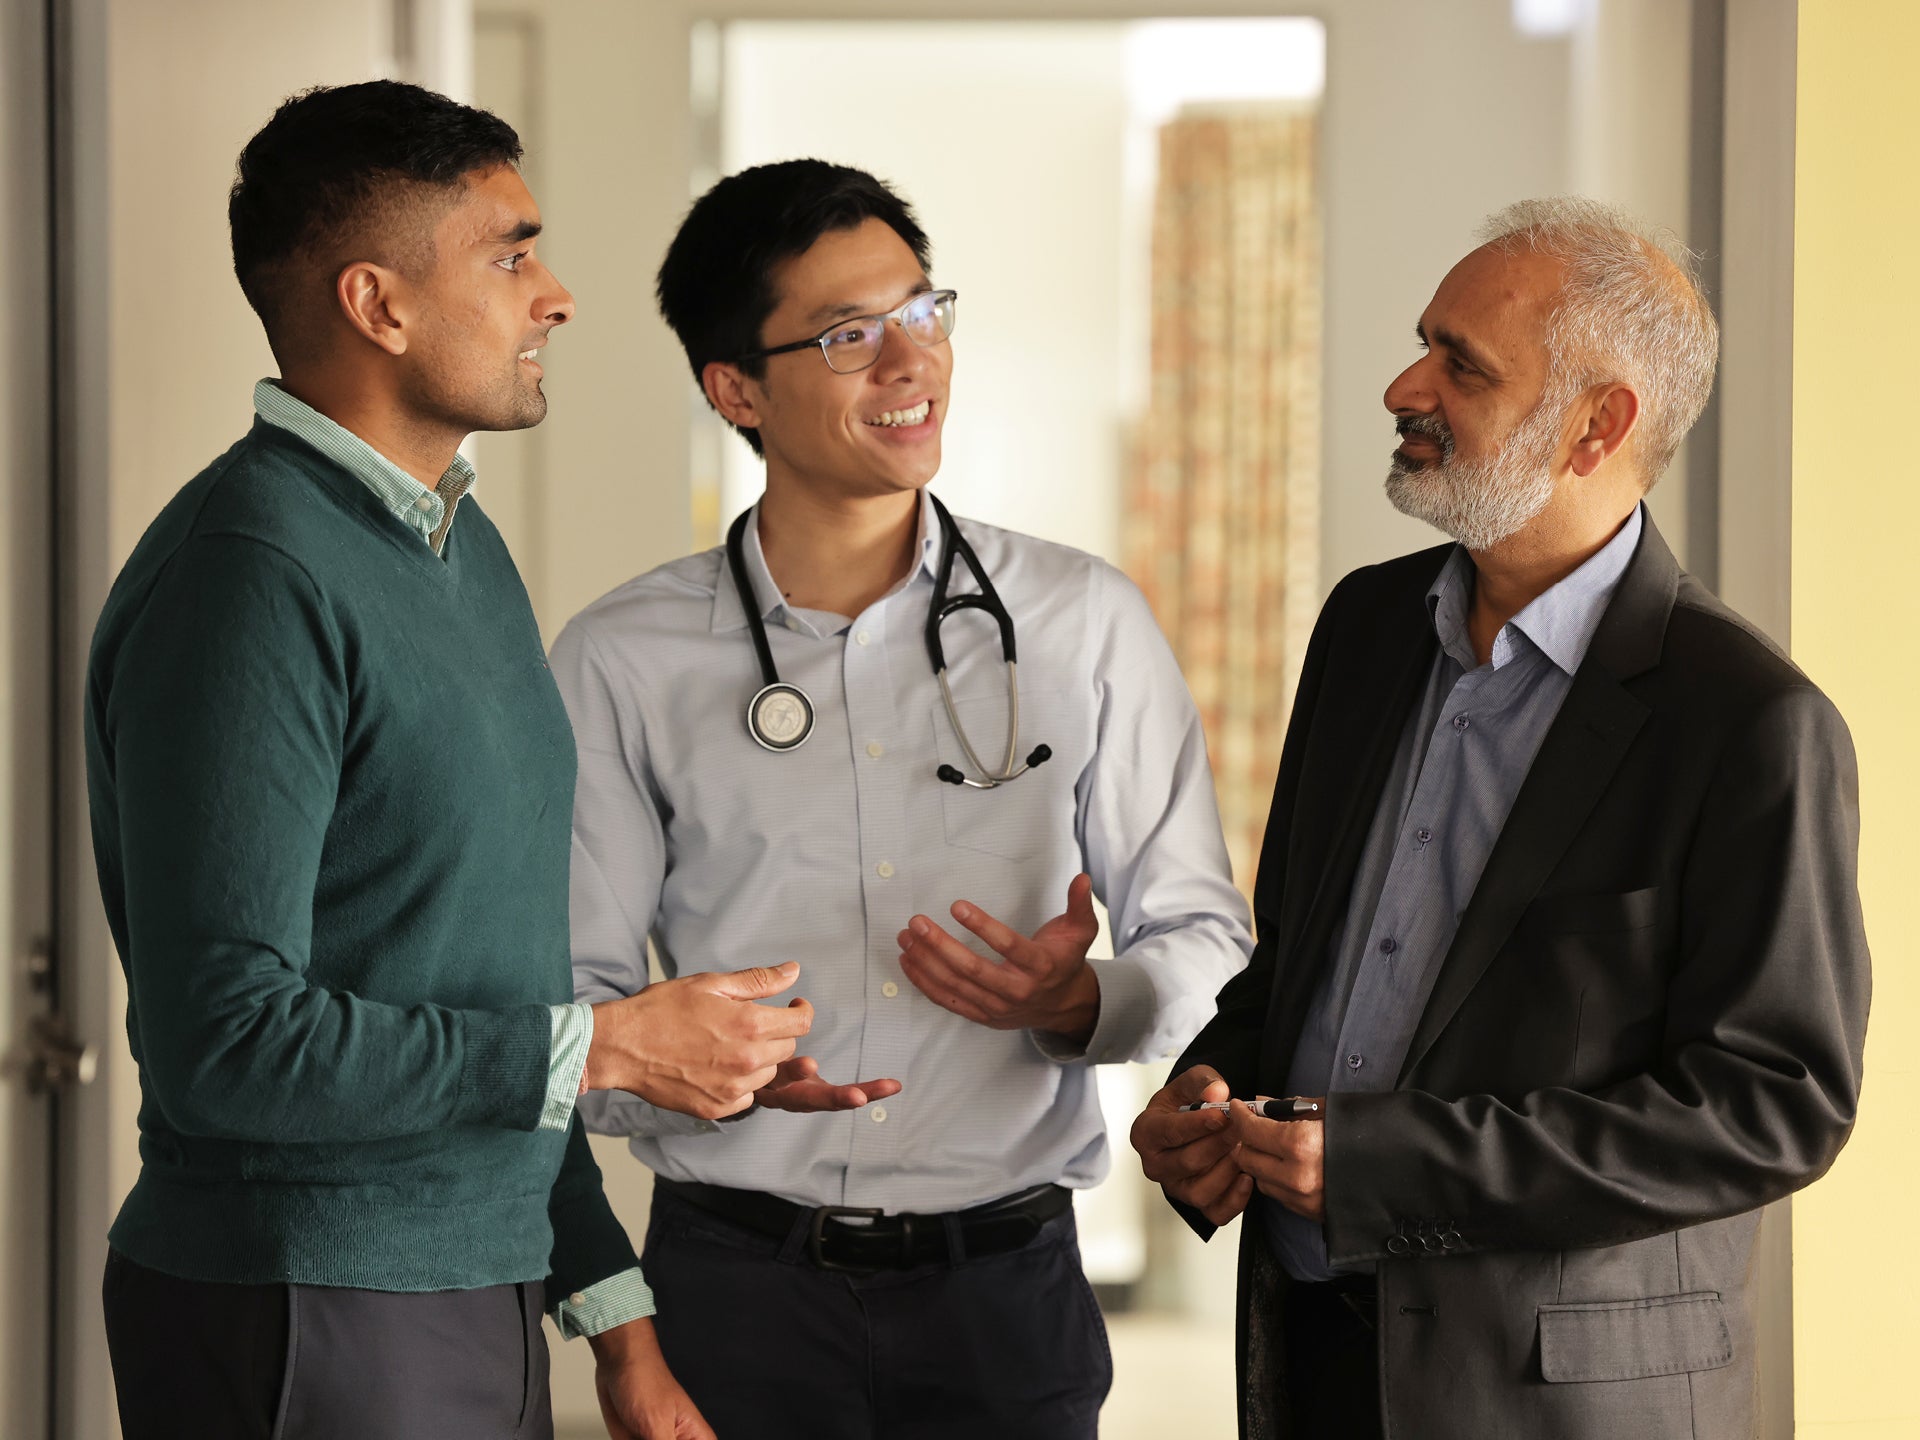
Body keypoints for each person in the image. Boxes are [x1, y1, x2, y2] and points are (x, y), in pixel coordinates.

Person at [85, 81, 810, 1440]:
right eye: (512, 253)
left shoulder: (451, 544)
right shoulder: (249, 577)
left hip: (478, 1289)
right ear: (380, 304)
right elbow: (226, 1045)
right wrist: (612, 1048)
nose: (558, 296)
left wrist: (613, 1315)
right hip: (310, 1301)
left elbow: (494, 988)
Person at [1130, 197, 1871, 1439]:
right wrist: (1216, 1086)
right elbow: (1302, 968)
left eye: (1459, 363)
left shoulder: (1746, 720)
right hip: (1307, 1356)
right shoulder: (1364, 630)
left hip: (1558, 1398)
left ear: (1599, 423)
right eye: (1427, 341)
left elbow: (1773, 1101)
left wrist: (1387, 1168)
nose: (1402, 384)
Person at [551, 158, 1253, 1439]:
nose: (909, 362)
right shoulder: (620, 660)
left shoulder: (1082, 621)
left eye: (923, 312)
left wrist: (1080, 999)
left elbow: (1212, 948)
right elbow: (571, 1018)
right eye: (848, 335)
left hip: (1007, 1299)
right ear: (735, 389)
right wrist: (699, 1074)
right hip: (733, 1293)